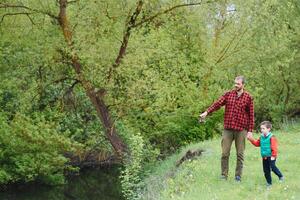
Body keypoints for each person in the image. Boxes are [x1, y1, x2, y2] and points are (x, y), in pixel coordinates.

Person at [199, 76, 254, 182]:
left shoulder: (248, 97)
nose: (235, 85)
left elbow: (251, 115)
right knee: (224, 153)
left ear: (243, 85)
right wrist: (206, 113)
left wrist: (250, 131)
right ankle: (224, 175)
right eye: (235, 83)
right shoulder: (228, 95)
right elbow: (217, 104)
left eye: (238, 84)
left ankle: (238, 176)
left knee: (240, 154)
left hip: (241, 129)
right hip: (228, 129)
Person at [247, 121, 284, 187]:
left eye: (263, 128)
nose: (262, 130)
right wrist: (251, 139)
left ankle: (280, 176)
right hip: (264, 156)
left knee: (272, 167)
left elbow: (274, 148)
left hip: (271, 156)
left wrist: (273, 156)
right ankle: (269, 183)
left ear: (268, 129)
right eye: (261, 129)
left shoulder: (272, 137)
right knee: (266, 170)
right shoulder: (261, 137)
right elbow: (257, 144)